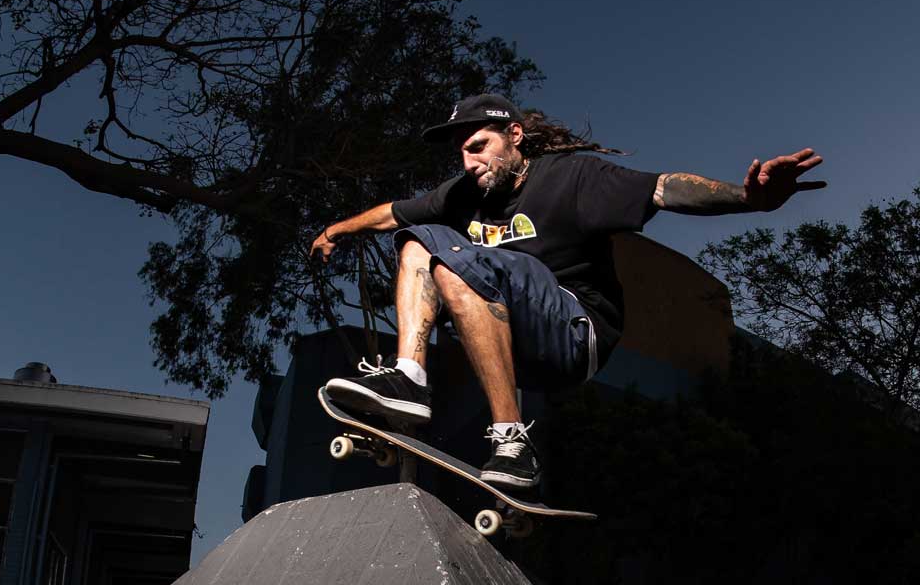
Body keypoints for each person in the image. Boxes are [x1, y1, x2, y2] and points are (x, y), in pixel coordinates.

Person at [310, 93, 824, 491]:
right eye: (461, 154)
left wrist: (748, 198)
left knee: (463, 260)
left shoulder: (572, 178)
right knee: (420, 244)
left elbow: (664, 189)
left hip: (577, 332)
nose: (469, 163)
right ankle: (412, 381)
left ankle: (511, 440)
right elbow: (394, 212)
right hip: (515, 346)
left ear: (514, 136)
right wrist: (337, 229)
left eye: (479, 147)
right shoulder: (461, 195)